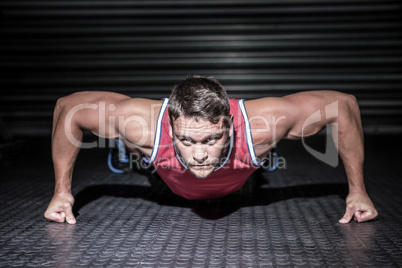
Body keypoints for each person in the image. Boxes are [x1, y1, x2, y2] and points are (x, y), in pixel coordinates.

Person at [44, 75, 378, 225]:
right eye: (187, 140)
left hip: (242, 172)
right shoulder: (141, 125)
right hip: (165, 175)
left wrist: (357, 191)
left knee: (258, 165)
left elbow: (342, 105)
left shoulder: (262, 125)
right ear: (171, 128)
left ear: (230, 125)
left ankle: (257, 167)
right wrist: (62, 192)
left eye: (212, 139)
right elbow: (67, 107)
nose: (200, 154)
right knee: (141, 157)